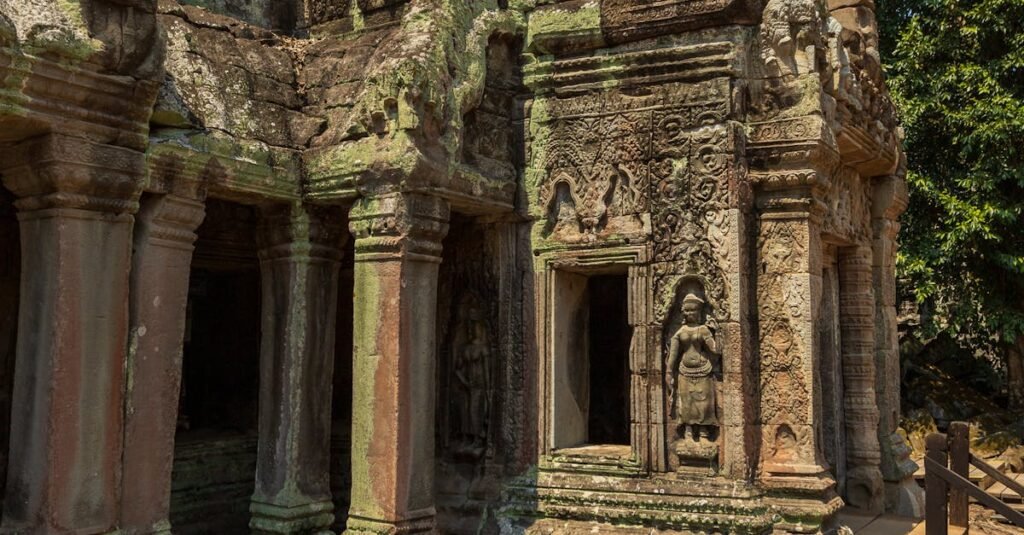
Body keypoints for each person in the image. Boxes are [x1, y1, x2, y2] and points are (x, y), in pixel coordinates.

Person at [667, 293, 720, 440]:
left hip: (704, 369)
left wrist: (717, 332)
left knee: (704, 403)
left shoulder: (703, 330)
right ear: (683, 312)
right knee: (686, 402)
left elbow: (715, 350)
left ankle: (704, 432)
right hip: (684, 370)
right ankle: (688, 431)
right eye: (688, 310)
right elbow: (673, 354)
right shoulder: (680, 332)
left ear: (699, 312)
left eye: (694, 310)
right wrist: (668, 372)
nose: (690, 313)